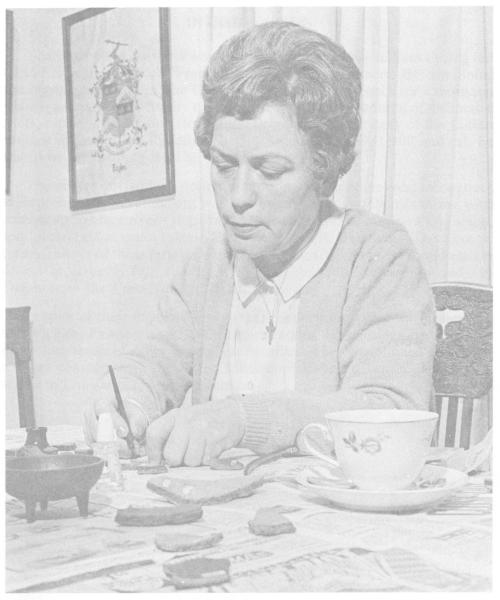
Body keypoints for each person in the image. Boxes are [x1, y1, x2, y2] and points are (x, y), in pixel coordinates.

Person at [84, 21, 436, 466]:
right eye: (224, 165)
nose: (238, 197)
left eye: (269, 171)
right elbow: (152, 362)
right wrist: (127, 401)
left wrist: (243, 419)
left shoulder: (377, 256)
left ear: (323, 169)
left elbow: (391, 412)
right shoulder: (209, 267)